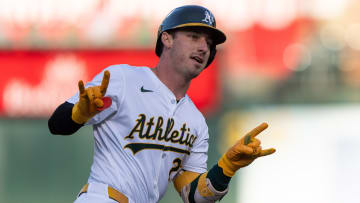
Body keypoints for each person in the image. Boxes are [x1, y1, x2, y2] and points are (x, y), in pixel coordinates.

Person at [48, 5, 275, 203]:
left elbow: (194, 196)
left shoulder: (195, 121)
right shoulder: (123, 79)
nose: (204, 47)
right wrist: (79, 113)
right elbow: (57, 124)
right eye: (194, 36)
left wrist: (225, 169)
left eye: (209, 42)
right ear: (167, 38)